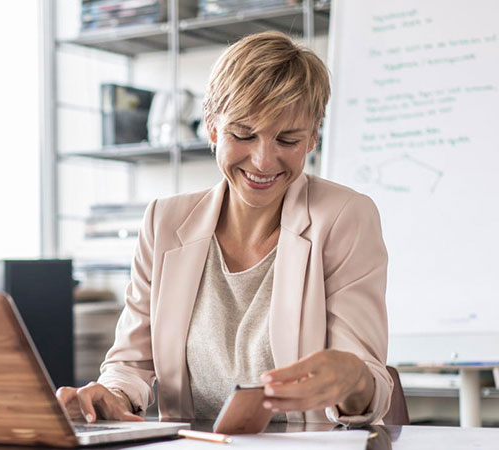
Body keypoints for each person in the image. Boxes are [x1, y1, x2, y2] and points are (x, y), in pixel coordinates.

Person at [56, 31, 392, 426]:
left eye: (288, 139)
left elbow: (368, 383)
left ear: (313, 136)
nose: (264, 161)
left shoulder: (345, 217)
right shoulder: (164, 222)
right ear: (213, 129)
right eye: (243, 134)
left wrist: (353, 379)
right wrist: (110, 394)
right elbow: (130, 364)